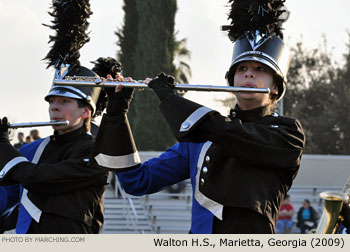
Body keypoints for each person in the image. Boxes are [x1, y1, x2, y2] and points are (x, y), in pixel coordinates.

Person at [90, 0, 305, 233]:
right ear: (232, 80)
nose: (249, 73)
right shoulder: (201, 138)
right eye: (242, 69)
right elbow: (136, 181)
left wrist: (170, 99)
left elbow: (229, 133)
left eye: (260, 69)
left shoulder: (288, 133)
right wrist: (117, 113)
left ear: (275, 88)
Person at [0, 0, 108, 234]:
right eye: (52, 101)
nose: (54, 107)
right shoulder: (32, 151)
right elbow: (7, 200)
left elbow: (36, 178)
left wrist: (2, 144)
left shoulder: (96, 153)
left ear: (86, 111)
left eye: (65, 102)